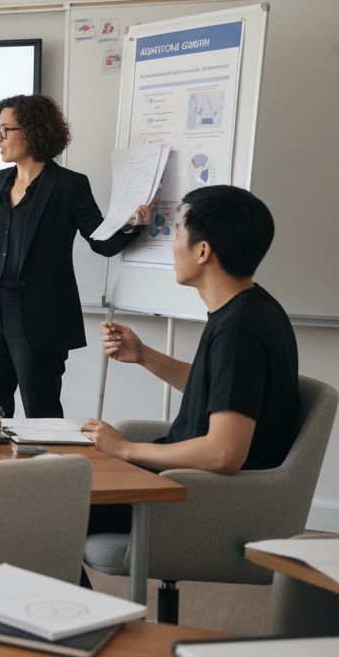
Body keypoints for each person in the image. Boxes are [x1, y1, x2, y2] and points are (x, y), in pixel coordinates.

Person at [82, 185, 298, 536]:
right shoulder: (252, 307)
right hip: (183, 483)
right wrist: (143, 355)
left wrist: (125, 449)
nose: (171, 244)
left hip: (196, 497)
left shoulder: (239, 331)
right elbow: (222, 389)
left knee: (46, 505)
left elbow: (224, 453)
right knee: (59, 480)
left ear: (202, 251)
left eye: (177, 232)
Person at [0, 94, 150, 418]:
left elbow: (102, 243)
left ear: (31, 131)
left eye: (5, 129)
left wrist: (131, 226)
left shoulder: (69, 185)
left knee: (41, 413)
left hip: (39, 317)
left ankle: (45, 471)